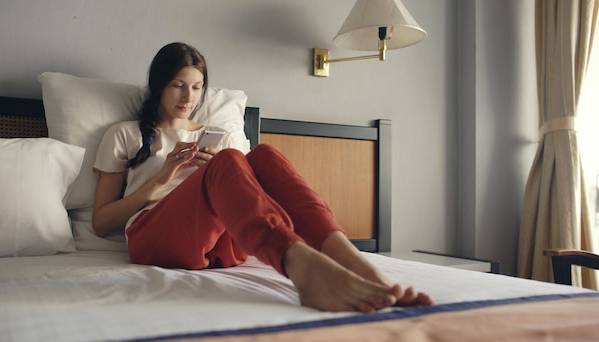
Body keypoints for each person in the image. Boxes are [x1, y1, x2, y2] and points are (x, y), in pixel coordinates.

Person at [92, 42, 434, 313]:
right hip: (154, 235)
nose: (188, 97)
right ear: (158, 86)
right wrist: (162, 178)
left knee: (263, 155)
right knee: (228, 160)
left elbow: (249, 194)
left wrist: (221, 171)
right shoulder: (126, 134)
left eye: (197, 87)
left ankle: (352, 261)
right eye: (178, 85)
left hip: (222, 245)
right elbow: (100, 222)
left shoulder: (215, 135)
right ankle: (301, 266)